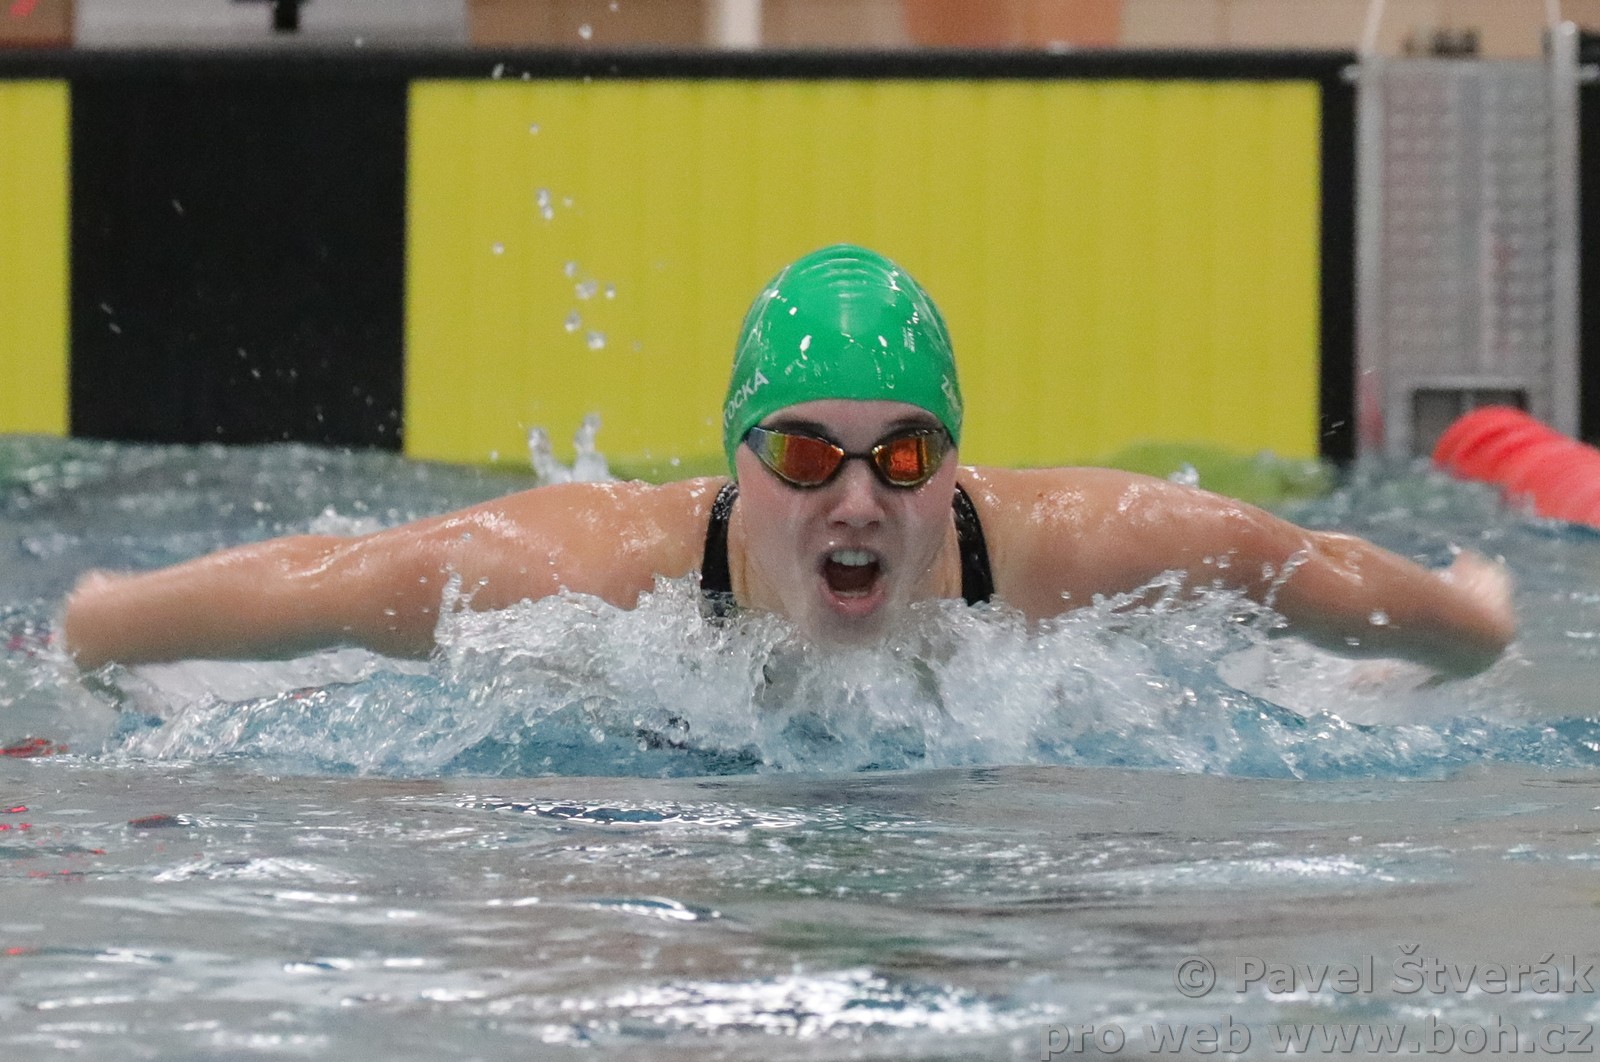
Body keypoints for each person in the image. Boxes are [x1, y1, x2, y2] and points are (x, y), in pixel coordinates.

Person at [62, 245, 1515, 677]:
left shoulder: (1068, 543)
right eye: (808, 451)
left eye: (905, 454)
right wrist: (98, 627)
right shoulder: (592, 571)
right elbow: (332, 577)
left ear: (955, 465)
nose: (858, 497)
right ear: (738, 462)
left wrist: (1471, 626)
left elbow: (1298, 564)